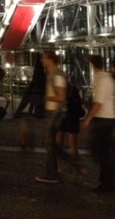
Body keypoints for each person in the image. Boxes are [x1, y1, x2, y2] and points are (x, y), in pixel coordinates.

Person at [35, 50, 83, 184]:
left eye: (43, 58)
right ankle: (63, 167)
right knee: (51, 144)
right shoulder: (52, 74)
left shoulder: (57, 75)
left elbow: (61, 97)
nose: (41, 61)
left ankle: (55, 172)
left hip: (56, 113)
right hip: (54, 112)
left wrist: (47, 97)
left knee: (50, 144)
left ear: (50, 59)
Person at [80, 54, 115, 193]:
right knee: (103, 151)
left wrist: (87, 119)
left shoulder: (103, 79)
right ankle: (106, 180)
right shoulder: (107, 78)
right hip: (107, 118)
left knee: (99, 151)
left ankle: (107, 182)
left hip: (104, 119)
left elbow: (98, 103)